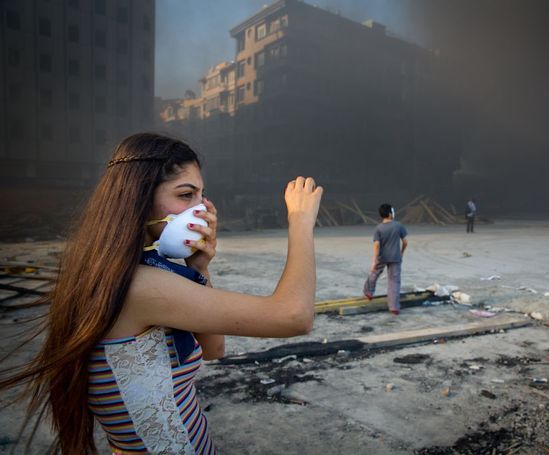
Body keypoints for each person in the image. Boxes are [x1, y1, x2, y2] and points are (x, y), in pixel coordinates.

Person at [0, 133, 323, 454]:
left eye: (202, 195)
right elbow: (293, 316)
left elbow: (213, 348)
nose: (202, 209)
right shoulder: (142, 286)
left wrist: (199, 268)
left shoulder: (121, 271)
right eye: (186, 195)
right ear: (138, 199)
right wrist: (300, 221)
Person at [363, 203, 408, 315]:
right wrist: (401, 252)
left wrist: (374, 261)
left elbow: (377, 245)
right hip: (395, 257)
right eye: (393, 211)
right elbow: (405, 242)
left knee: (374, 273)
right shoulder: (398, 226)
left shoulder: (378, 228)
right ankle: (394, 307)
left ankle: (368, 293)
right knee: (394, 281)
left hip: (382, 256)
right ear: (389, 214)